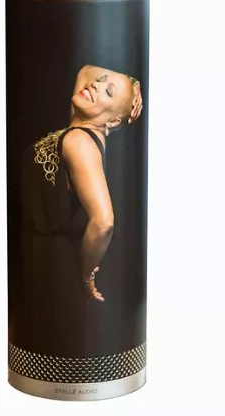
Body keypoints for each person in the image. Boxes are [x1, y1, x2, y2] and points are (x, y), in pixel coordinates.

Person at [17, 64, 143, 356]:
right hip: (44, 265)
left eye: (108, 91)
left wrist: (86, 273)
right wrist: (132, 83)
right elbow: (86, 70)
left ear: (113, 120)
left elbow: (104, 221)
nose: (95, 84)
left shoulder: (79, 142)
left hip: (52, 270)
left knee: (53, 353)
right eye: (101, 81)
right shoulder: (80, 128)